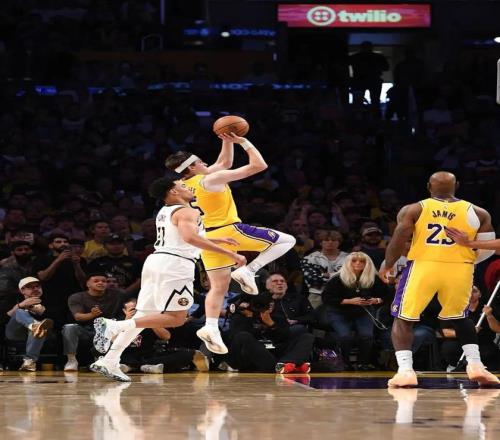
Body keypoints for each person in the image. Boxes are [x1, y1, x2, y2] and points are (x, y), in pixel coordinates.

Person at [90, 173, 245, 381]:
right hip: (175, 265)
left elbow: (184, 236)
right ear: (173, 191)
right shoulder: (188, 211)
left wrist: (217, 239)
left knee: (143, 316)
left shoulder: (165, 211)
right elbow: (189, 238)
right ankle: (115, 326)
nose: (189, 188)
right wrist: (230, 254)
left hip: (157, 261)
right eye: (183, 185)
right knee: (177, 318)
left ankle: (109, 360)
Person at [164, 132, 296, 354]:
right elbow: (259, 166)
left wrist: (226, 139)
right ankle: (250, 270)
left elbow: (224, 163)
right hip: (230, 230)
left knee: (218, 288)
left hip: (208, 239)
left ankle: (210, 326)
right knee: (287, 241)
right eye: (200, 161)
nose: (206, 163)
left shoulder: (183, 185)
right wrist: (243, 141)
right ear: (192, 167)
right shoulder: (210, 179)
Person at [380, 171, 499, 387]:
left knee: (404, 317)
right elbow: (488, 248)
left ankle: (406, 371)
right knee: (461, 317)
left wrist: (388, 264)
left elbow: (399, 238)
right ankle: (476, 365)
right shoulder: (478, 212)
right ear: (457, 185)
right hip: (460, 268)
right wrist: (468, 260)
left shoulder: (414, 209)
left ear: (429, 186)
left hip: (423, 265)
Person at [322, 252, 389, 370]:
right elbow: (327, 298)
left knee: (367, 336)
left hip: (363, 311)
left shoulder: (374, 279)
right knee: (345, 336)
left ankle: (363, 363)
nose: (358, 263)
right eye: (354, 261)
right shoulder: (337, 279)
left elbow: (387, 295)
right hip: (339, 312)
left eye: (362, 261)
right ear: (348, 263)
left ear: (367, 264)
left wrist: (376, 300)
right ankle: (345, 363)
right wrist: (349, 301)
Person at [5, 277, 53, 371]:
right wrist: (20, 305)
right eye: (31, 287)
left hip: (40, 335)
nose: (35, 289)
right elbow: (3, 319)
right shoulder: (12, 300)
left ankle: (29, 362)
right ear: (22, 290)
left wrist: (42, 312)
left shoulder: (49, 300)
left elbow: (54, 321)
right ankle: (34, 326)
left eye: (38, 286)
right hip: (15, 332)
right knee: (19, 311)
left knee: (40, 329)